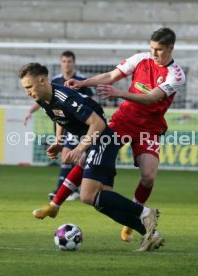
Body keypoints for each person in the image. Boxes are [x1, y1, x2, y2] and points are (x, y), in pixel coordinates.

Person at [18, 62, 161, 252]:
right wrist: (59, 141)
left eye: (29, 87)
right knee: (103, 203)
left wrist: (80, 148)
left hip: (102, 140)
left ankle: (144, 212)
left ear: (42, 81)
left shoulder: (64, 96)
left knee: (87, 195)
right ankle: (151, 234)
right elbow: (59, 118)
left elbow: (98, 123)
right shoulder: (43, 99)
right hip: (95, 143)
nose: (27, 92)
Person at [66, 27, 186, 242]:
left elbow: (151, 98)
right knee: (89, 157)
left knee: (148, 177)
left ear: (170, 48)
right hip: (123, 121)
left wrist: (121, 93)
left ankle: (134, 218)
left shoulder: (175, 74)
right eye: (152, 48)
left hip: (149, 127)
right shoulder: (141, 58)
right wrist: (83, 83)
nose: (154, 53)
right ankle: (56, 201)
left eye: (159, 50)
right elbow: (111, 76)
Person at [23, 51, 93, 201]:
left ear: (74, 63)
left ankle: (62, 190)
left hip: (81, 125)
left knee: (69, 156)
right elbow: (53, 107)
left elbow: (90, 104)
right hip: (65, 125)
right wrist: (30, 112)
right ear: (61, 63)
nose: (66, 64)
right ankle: (69, 190)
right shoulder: (53, 81)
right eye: (64, 61)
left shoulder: (81, 81)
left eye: (69, 61)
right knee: (69, 157)